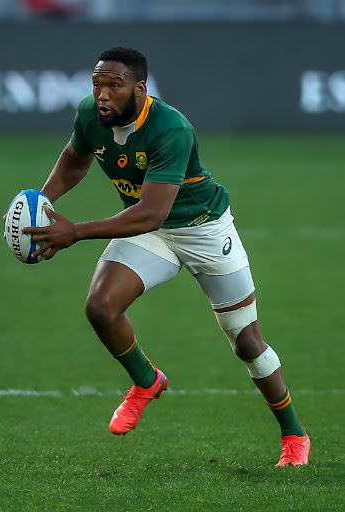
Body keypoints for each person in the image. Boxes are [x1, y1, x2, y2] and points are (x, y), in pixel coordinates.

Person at [22, 47, 310, 466]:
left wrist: (75, 231)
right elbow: (74, 160)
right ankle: (146, 382)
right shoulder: (90, 114)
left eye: (113, 86)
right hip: (152, 233)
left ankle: (294, 434)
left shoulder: (170, 127)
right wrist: (41, 202)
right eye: (97, 85)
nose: (102, 95)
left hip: (204, 229)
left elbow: (151, 210)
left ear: (139, 89)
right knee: (101, 307)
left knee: (247, 341)